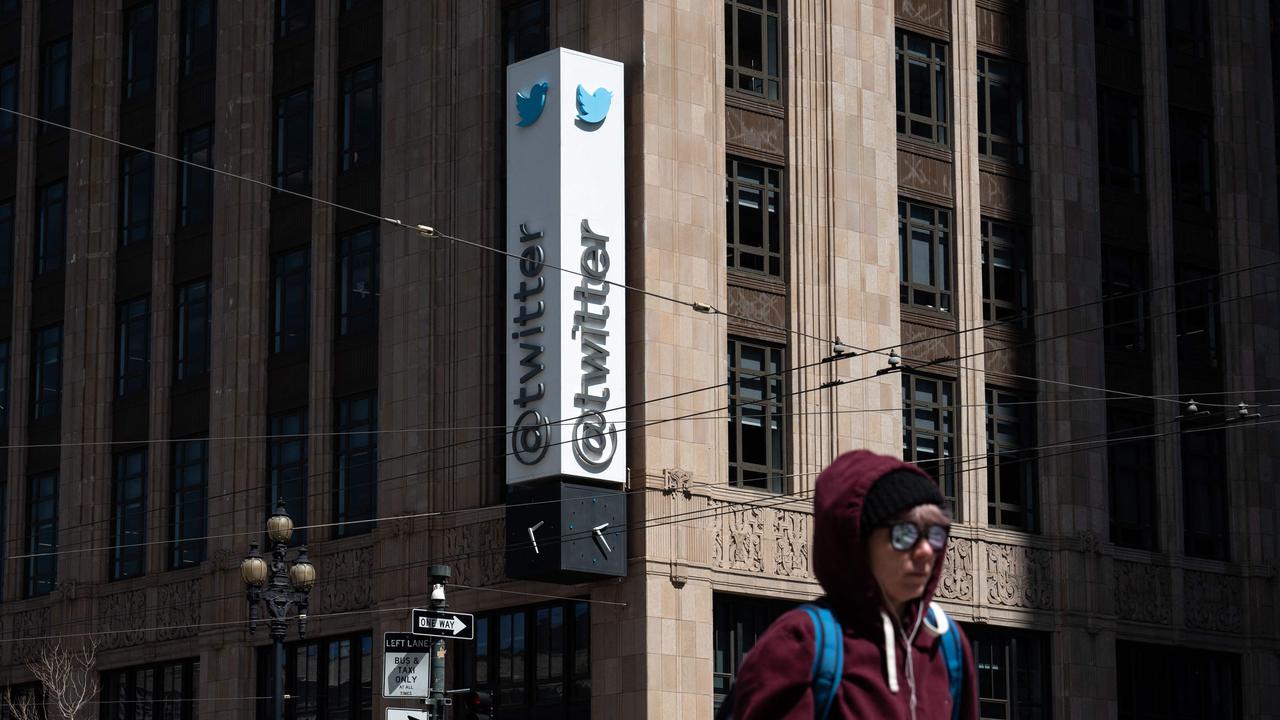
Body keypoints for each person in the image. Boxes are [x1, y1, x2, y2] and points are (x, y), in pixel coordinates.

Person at [729, 449, 978, 719]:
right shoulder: (800, 643)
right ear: (858, 542)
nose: (926, 551)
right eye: (905, 534)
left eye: (935, 534)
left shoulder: (946, 643)